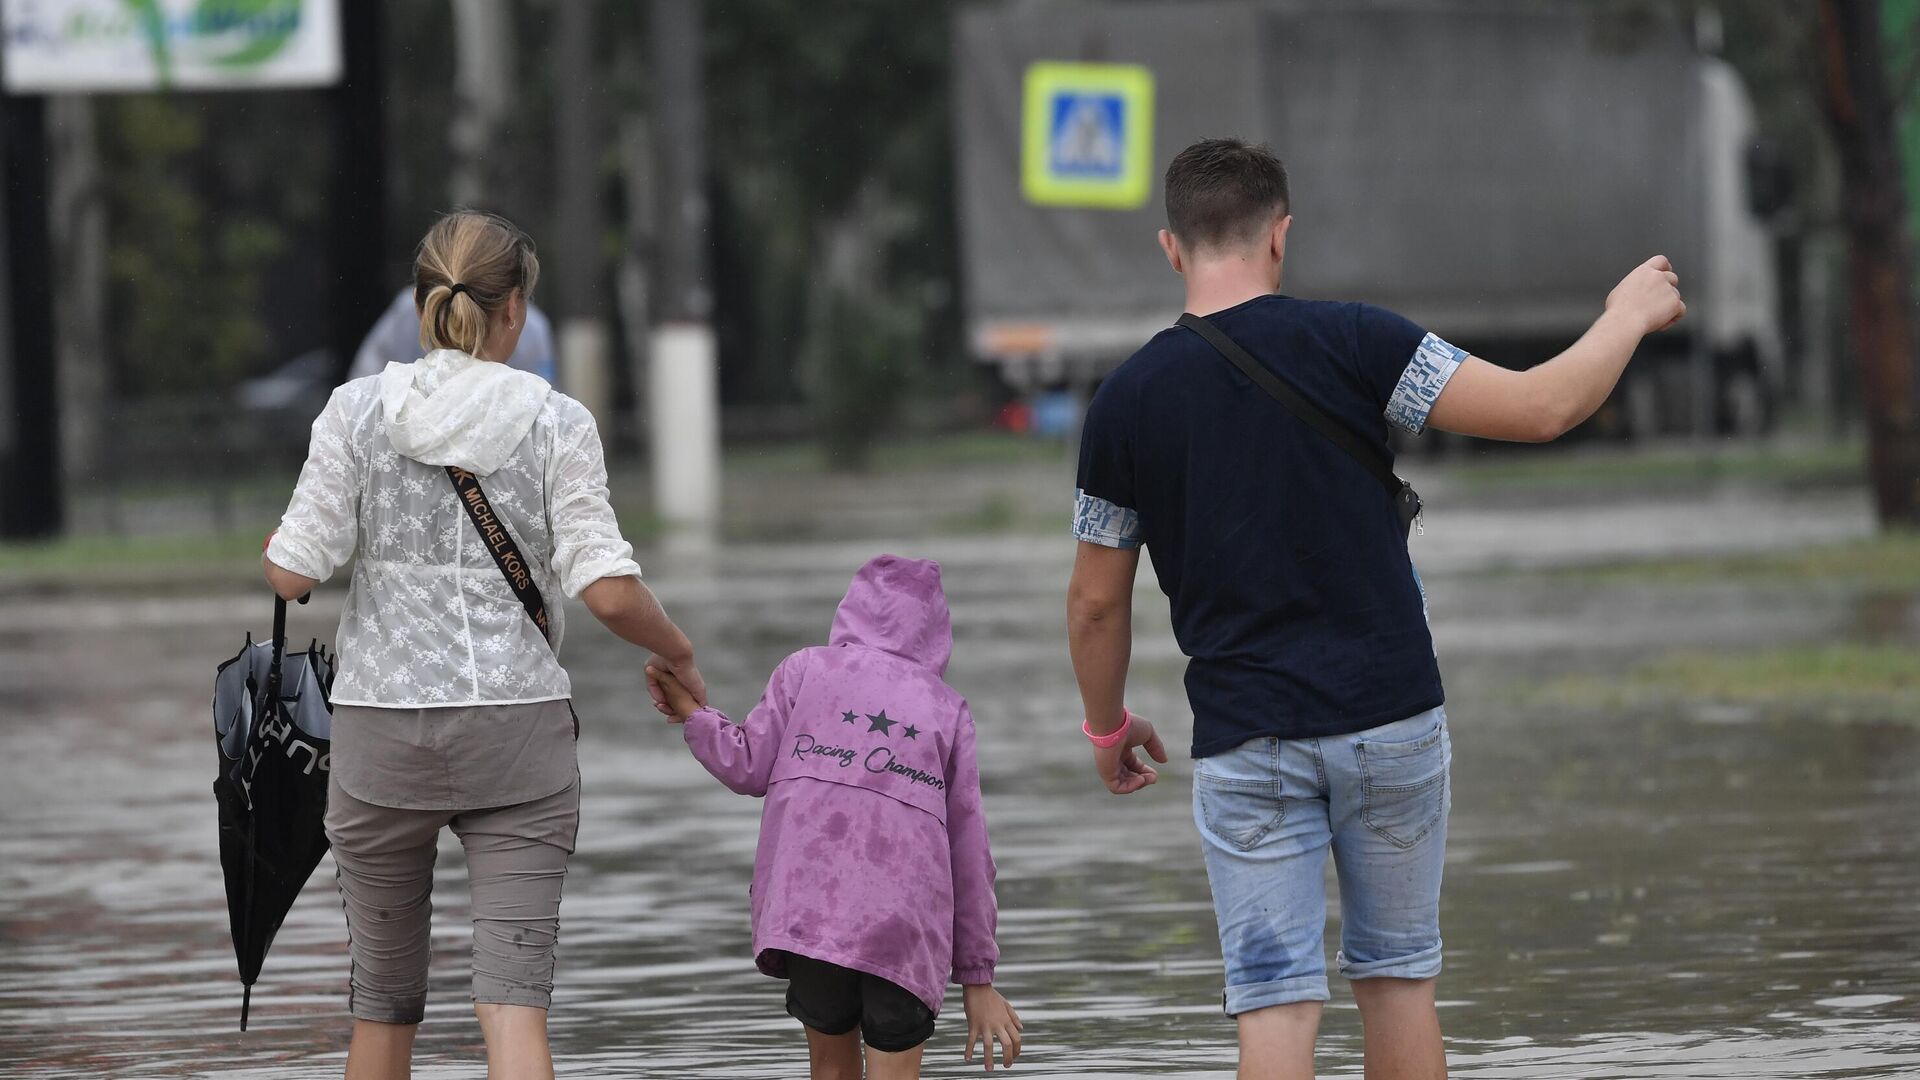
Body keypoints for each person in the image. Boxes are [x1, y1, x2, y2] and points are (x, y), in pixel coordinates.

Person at [1065, 138, 1685, 1080]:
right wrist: (1626, 315)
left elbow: (1096, 606)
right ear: (1281, 236)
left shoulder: (1124, 404)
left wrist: (1106, 726)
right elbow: (1544, 408)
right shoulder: (1359, 340)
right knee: (1397, 984)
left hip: (1246, 739)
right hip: (1392, 720)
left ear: (1170, 247)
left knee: (1274, 1007)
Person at [262, 209, 706, 1080]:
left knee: (382, 1007)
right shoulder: (555, 422)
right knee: (513, 1007)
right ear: (514, 315)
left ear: (423, 304)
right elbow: (610, 593)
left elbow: (289, 573)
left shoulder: (355, 413)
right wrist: (678, 651)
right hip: (518, 734)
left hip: (378, 736)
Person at [647, 555, 1023, 1079]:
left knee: (830, 1070)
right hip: (904, 928)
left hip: (809, 913)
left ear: (851, 610)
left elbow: (748, 766)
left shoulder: (805, 670)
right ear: (936, 630)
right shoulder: (946, 709)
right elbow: (969, 850)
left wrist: (693, 714)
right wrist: (977, 979)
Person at [348, 283, 558, 385]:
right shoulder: (532, 324)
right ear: (512, 306)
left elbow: (365, 373)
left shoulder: (408, 307)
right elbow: (542, 387)